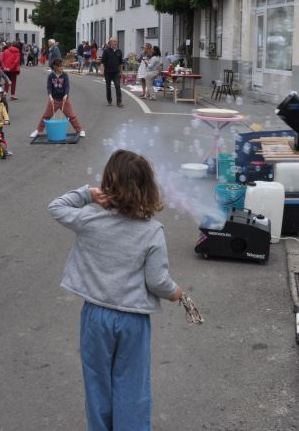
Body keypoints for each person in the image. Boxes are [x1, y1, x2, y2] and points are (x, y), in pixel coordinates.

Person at [48, 149, 183, 431]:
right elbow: (157, 281)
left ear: (108, 184)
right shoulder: (152, 231)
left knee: (97, 382)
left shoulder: (89, 220)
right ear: (148, 189)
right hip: (133, 320)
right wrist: (175, 293)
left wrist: (87, 193)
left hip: (95, 317)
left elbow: (57, 206)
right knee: (132, 384)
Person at [30, 58, 86, 139]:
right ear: (55, 67)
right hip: (54, 100)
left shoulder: (65, 75)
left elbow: (67, 86)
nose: (62, 68)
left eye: (62, 66)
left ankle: (80, 130)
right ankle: (38, 131)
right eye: (60, 66)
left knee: (71, 116)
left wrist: (66, 95)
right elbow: (49, 87)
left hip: (64, 100)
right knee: (46, 116)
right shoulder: (50, 76)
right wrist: (50, 96)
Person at [100, 37, 124, 107]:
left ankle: (119, 102)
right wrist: (102, 71)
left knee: (117, 86)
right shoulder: (106, 51)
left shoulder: (119, 51)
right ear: (110, 42)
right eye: (114, 41)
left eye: (116, 41)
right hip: (108, 72)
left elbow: (120, 63)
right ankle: (109, 101)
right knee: (108, 87)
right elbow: (102, 62)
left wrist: (121, 72)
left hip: (116, 72)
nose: (115, 43)